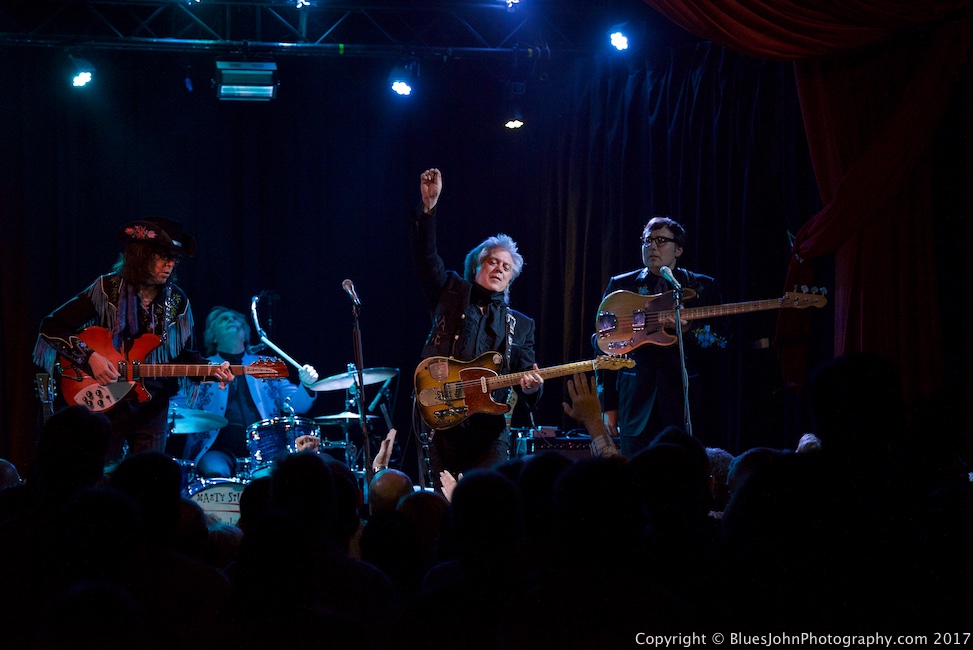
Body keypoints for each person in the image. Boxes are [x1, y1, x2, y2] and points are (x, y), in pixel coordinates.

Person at [33, 217, 233, 462]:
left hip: (152, 408)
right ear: (141, 255)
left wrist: (212, 371)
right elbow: (52, 326)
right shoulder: (106, 289)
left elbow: (184, 356)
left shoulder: (178, 302)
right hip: (104, 404)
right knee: (99, 480)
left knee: (147, 486)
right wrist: (91, 358)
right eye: (163, 256)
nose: (170, 264)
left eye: (175, 259)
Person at [411, 167, 543, 492]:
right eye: (493, 261)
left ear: (511, 278)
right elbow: (426, 259)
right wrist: (429, 210)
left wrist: (530, 387)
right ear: (477, 265)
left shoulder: (521, 325)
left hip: (489, 429)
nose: (499, 268)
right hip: (441, 417)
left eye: (506, 267)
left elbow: (527, 376)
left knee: (488, 502)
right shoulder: (451, 290)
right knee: (441, 506)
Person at [597, 216, 722, 458]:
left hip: (685, 403)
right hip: (634, 403)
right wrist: (608, 404)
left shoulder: (702, 287)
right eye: (647, 240)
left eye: (661, 240)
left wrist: (688, 330)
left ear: (679, 249)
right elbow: (603, 345)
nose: (652, 246)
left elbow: (722, 341)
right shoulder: (621, 286)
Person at [176, 306, 318, 478]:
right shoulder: (201, 368)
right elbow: (179, 405)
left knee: (291, 473)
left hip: (267, 449)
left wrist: (307, 384)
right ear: (213, 336)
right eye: (224, 319)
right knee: (216, 471)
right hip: (217, 449)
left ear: (245, 333)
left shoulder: (267, 365)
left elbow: (297, 405)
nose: (231, 320)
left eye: (235, 319)